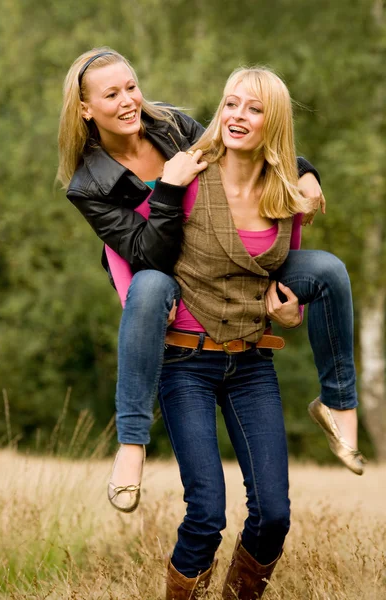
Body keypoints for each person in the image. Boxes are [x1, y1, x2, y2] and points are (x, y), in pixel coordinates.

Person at [56, 48, 364, 515]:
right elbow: (148, 256)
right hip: (167, 276)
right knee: (153, 286)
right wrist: (170, 188)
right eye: (112, 93)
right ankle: (131, 444)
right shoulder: (88, 185)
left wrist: (304, 170)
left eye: (132, 87)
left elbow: (238, 146)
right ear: (84, 108)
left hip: (229, 258)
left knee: (327, 271)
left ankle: (339, 404)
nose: (128, 101)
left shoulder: (174, 126)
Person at [157, 65, 323, 598]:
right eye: (230, 103)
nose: (236, 116)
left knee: (273, 514)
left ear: (272, 123)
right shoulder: (186, 175)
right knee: (206, 514)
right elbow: (130, 246)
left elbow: (287, 276)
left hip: (253, 363)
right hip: (185, 359)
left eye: (253, 108)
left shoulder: (287, 194)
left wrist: (293, 311)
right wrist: (144, 301)